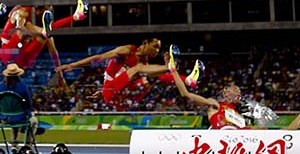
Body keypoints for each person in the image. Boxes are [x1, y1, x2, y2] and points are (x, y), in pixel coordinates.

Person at [56, 38, 202, 111]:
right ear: (145, 43)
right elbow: (98, 58)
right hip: (111, 92)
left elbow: (126, 79)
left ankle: (187, 80)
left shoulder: (144, 63)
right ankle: (170, 68)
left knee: (149, 77)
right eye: (155, 46)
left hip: (122, 97)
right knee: (141, 70)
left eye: (159, 48)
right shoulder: (127, 51)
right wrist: (73, 65)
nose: (157, 51)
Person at [0, 0, 89, 83]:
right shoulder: (24, 11)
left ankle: (76, 16)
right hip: (10, 53)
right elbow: (21, 23)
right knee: (25, 29)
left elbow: (53, 52)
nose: (49, 14)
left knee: (43, 36)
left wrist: (60, 76)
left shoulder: (41, 27)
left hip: (23, 61)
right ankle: (75, 17)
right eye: (46, 11)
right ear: (37, 10)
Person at [167, 48, 244, 129]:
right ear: (226, 94)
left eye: (239, 92)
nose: (239, 93)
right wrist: (174, 71)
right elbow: (185, 94)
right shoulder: (215, 104)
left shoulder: (240, 114)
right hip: (220, 135)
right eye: (235, 90)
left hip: (236, 136)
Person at [0, 63, 35, 151]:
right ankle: (28, 146)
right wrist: (28, 112)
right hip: (21, 117)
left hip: (5, 118)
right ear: (18, 74)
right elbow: (29, 103)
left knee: (14, 121)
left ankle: (14, 144)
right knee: (34, 122)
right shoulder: (22, 86)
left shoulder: (0, 86)